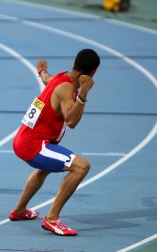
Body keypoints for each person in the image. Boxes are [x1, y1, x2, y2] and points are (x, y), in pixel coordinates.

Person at [8, 49, 100, 236]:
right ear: (92, 72)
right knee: (81, 167)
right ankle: (52, 219)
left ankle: (19, 211)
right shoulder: (67, 89)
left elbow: (46, 79)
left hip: (24, 138)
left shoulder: (60, 77)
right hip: (33, 144)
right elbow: (72, 122)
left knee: (45, 168)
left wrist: (41, 70)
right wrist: (83, 94)